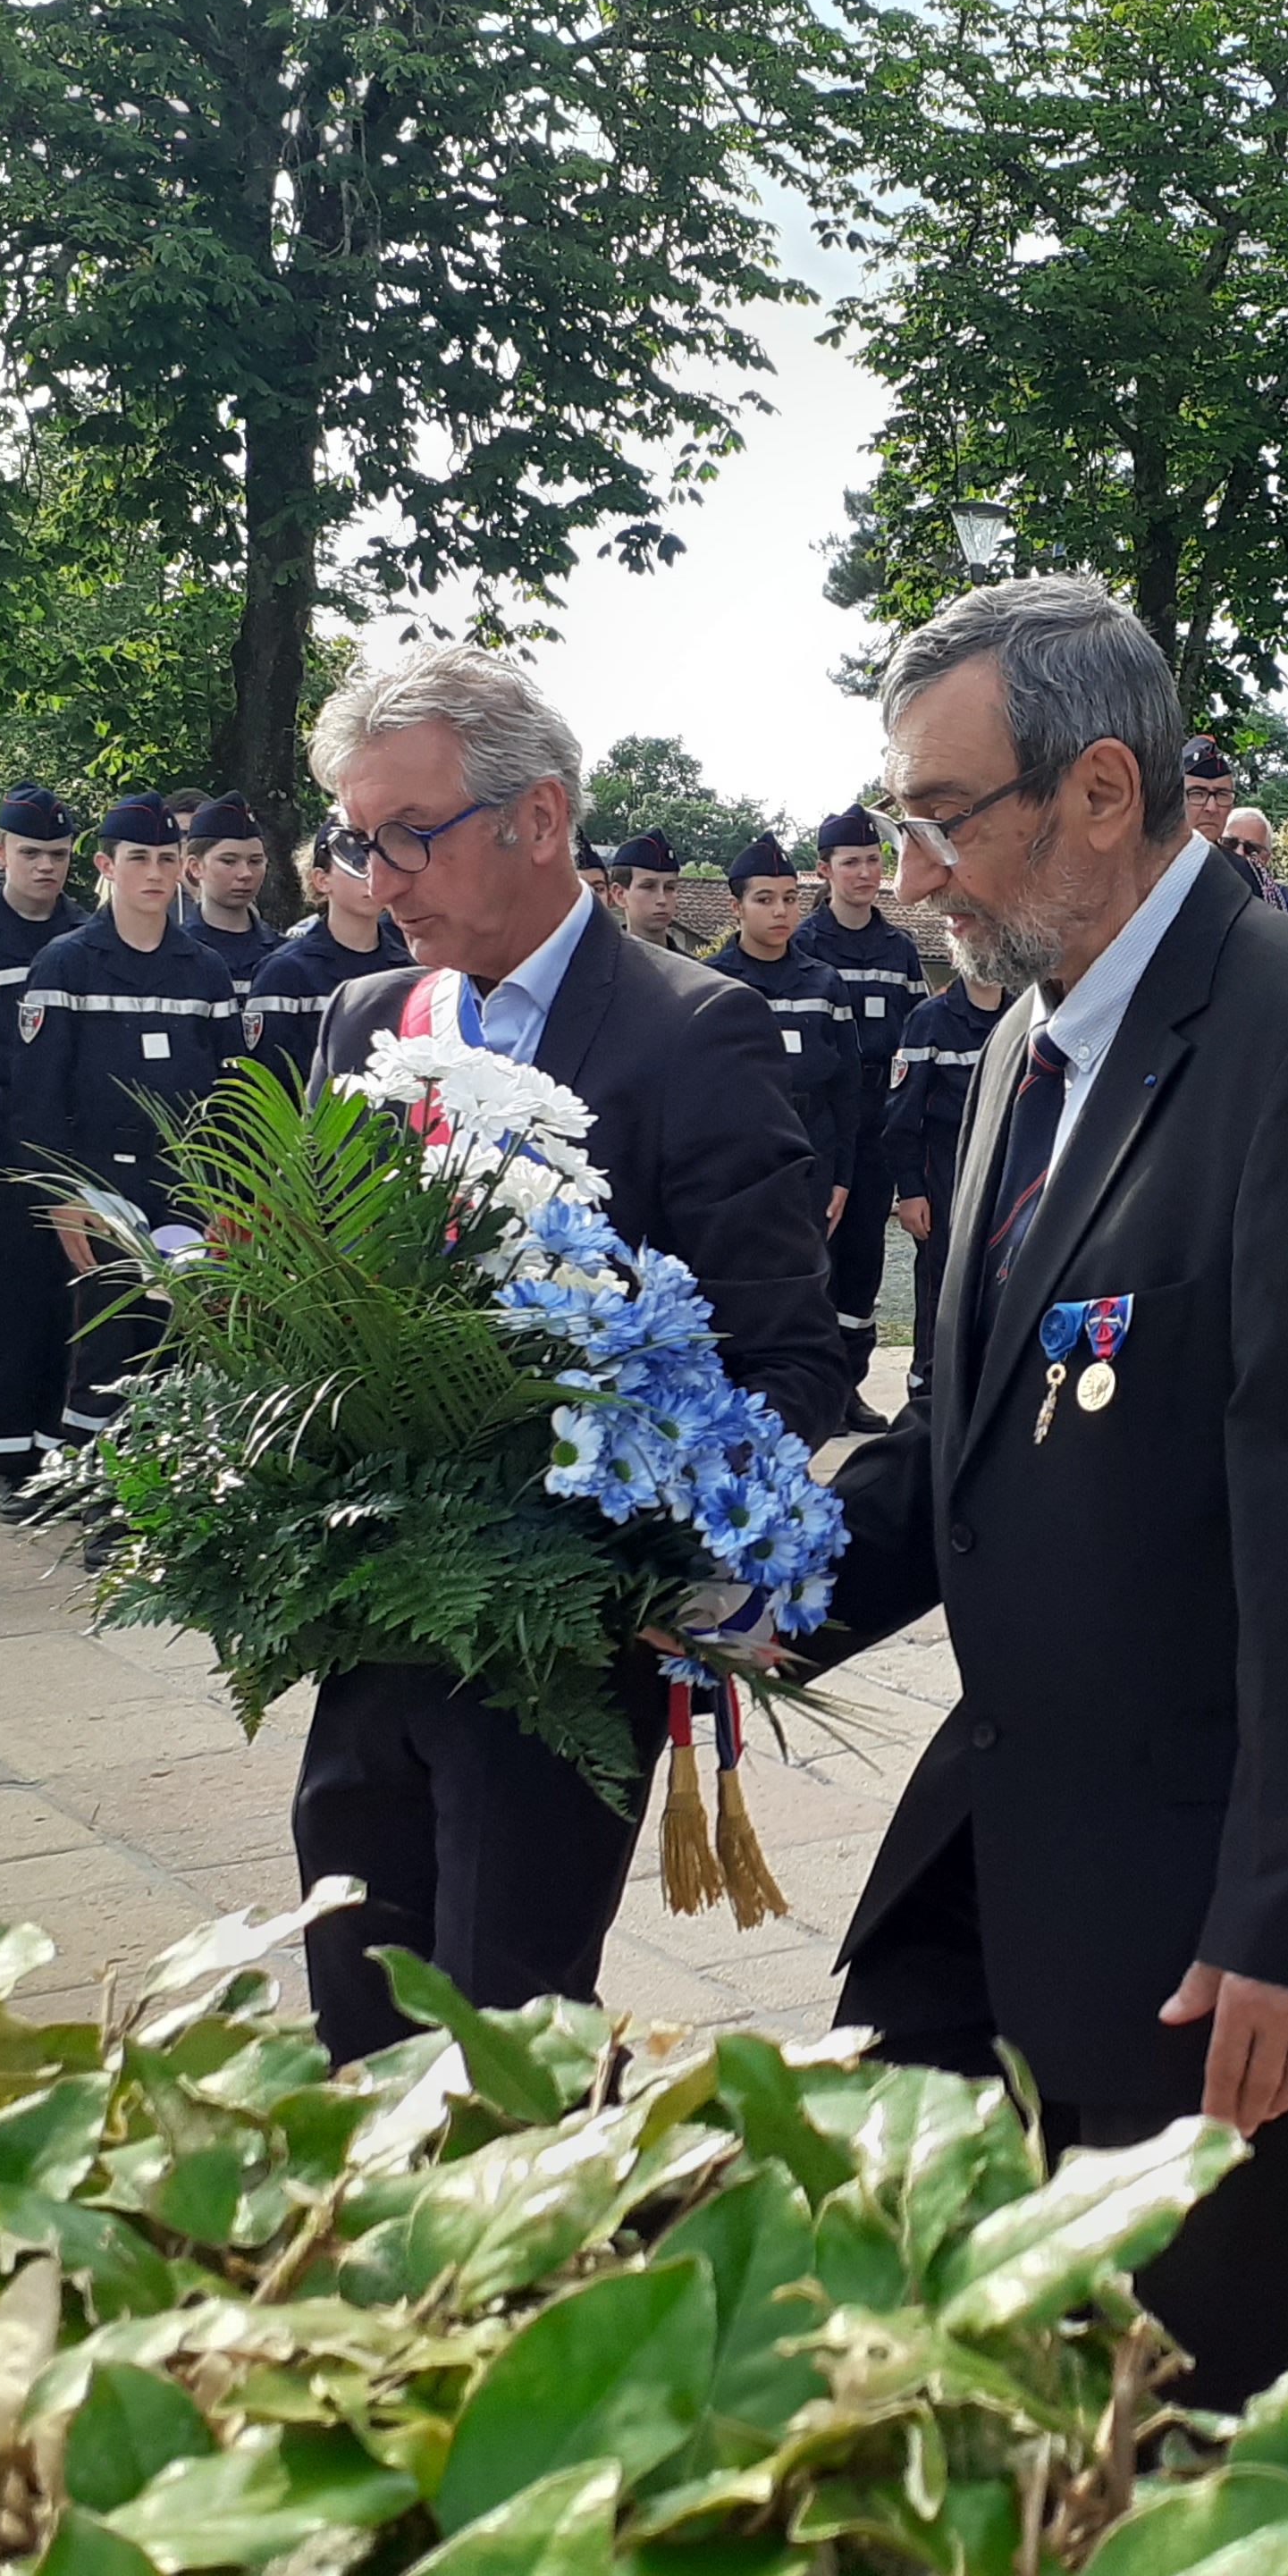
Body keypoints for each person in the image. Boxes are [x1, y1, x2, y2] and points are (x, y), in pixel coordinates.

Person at [804, 573, 1288, 2415]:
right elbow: (953, 1437)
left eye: (944, 818)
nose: (918, 870)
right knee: (957, 2369)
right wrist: (733, 1602)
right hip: (1020, 1841)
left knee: (1188, 2424)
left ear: (1102, 791)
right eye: (901, 819)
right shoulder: (1019, 1045)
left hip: (1222, 1907)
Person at [293, 642, 846, 2052]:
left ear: (538, 818)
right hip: (376, 1626)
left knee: (507, 2040)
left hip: (560, 1653)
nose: (379, 879)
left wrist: (664, 1545)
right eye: (359, 842)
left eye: (411, 835)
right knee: (357, 2011)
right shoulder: (369, 1019)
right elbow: (319, 1295)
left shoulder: (690, 1033)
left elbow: (785, 1357)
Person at [11, 796, 249, 1460]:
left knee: (179, 1340)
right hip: (100, 1183)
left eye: (167, 859)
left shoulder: (204, 969)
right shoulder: (66, 963)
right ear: (106, 866)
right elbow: (38, 1095)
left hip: (185, 1184)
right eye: (138, 858)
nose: (154, 873)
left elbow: (231, 1093)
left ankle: (168, 1487)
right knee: (106, 1347)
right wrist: (62, 1195)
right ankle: (94, 1490)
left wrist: (226, 1197)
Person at [0, 783, 88, 1520]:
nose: (46, 867)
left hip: (72, 1153)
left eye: (59, 855)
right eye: (32, 852)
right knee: (3, 1315)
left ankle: (64, 1456)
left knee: (73, 1313)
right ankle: (9, 1462)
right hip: (0, 1154)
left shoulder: (87, 935)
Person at [798, 803, 925, 1425]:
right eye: (852, 863)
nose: (866, 873)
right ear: (824, 870)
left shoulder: (900, 949)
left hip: (880, 1116)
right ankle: (809, 1388)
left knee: (864, 1258)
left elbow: (919, 1037)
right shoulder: (804, 945)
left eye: (874, 861)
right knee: (813, 1254)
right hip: (820, 1123)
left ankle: (849, 1387)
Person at [709, 833, 862, 1236]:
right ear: (736, 907)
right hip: (737, 1156)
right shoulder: (711, 982)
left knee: (810, 1266)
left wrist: (842, 1175)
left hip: (812, 1150)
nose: (780, 911)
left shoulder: (825, 983)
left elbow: (847, 1084)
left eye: (790, 899)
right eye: (764, 899)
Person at [881, 964, 1006, 1400]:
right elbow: (902, 1116)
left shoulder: (1024, 1014)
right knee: (942, 1285)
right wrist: (911, 1190)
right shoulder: (929, 1020)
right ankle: (928, 1389)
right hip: (945, 1174)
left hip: (1006, 1168)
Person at [248, 833, 411, 1081]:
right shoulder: (286, 971)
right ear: (322, 880)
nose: (372, 878)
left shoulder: (407, 969)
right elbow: (268, 1077)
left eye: (380, 863)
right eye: (358, 865)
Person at [176, 793, 280, 1009]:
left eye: (255, 861)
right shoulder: (175, 953)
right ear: (195, 867)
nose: (245, 874)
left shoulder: (284, 954)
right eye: (229, 861)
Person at [1181, 733, 1288, 912]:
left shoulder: (1250, 876)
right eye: (1198, 794)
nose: (1212, 808)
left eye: (1222, 795)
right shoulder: (1145, 863)